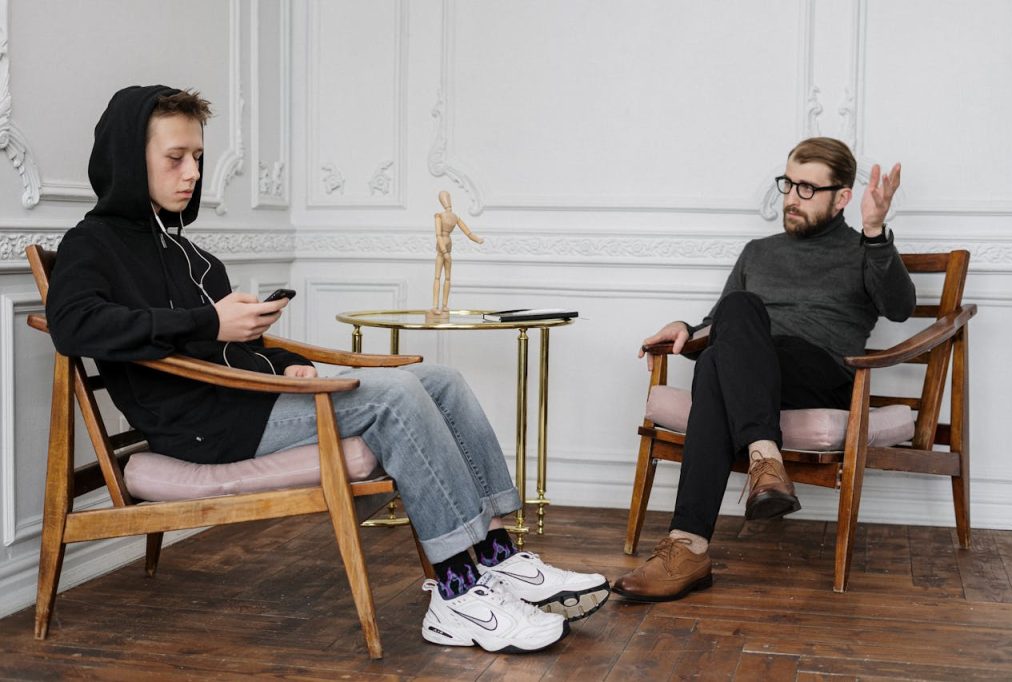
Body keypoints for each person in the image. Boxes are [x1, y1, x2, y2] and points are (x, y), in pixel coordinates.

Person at [45, 85, 609, 653]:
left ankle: (496, 555)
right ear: (127, 158)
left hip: (247, 399)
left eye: (197, 157)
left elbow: (239, 349)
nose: (192, 172)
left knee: (442, 380)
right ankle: (457, 595)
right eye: (175, 158)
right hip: (206, 428)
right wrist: (209, 323)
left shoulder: (190, 254)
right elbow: (74, 326)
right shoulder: (91, 244)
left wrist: (290, 364)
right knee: (392, 396)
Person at [613, 137, 916, 602]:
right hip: (752, 374)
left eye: (808, 189)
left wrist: (875, 232)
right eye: (789, 184)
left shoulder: (863, 252)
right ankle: (756, 470)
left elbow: (900, 307)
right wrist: (686, 328)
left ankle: (689, 544)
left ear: (842, 198)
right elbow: (723, 327)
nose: (792, 198)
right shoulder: (758, 252)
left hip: (820, 375)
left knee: (726, 344)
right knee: (728, 327)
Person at [431, 189, 483, 314]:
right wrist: (444, 251)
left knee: (446, 277)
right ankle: (435, 306)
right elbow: (438, 235)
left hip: (446, 245)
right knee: (439, 277)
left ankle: (443, 305)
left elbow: (468, 232)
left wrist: (478, 240)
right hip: (444, 246)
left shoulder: (449, 216)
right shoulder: (444, 216)